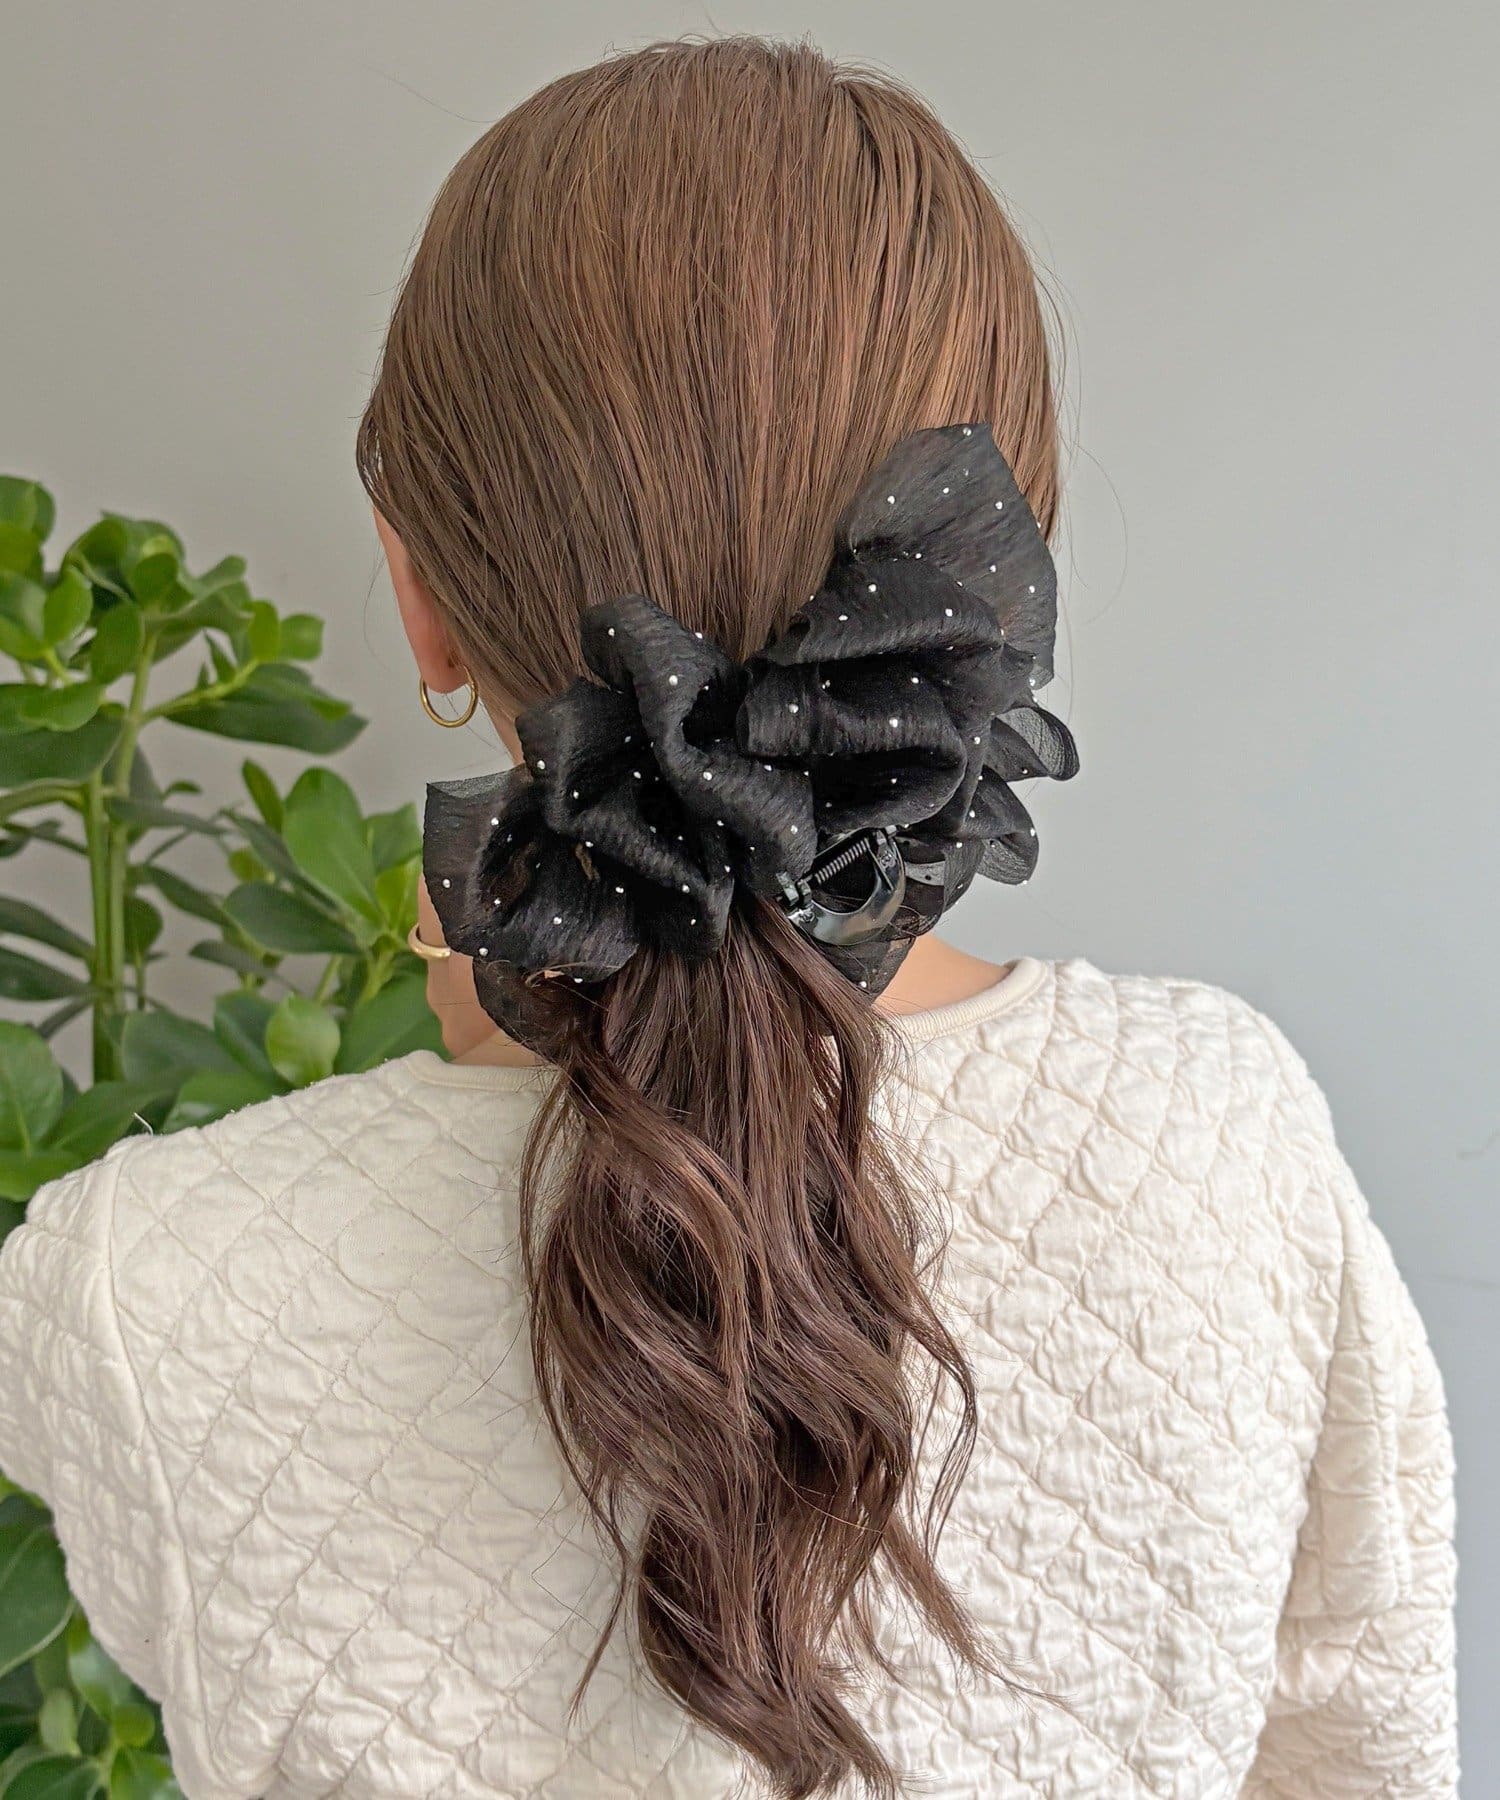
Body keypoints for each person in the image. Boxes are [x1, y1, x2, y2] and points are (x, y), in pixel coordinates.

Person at [0, 36, 1457, 1800]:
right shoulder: (1231, 1147)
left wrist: (496, 1075)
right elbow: (1359, 1749)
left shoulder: (133, 1284)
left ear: (418, 589)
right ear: (989, 590)